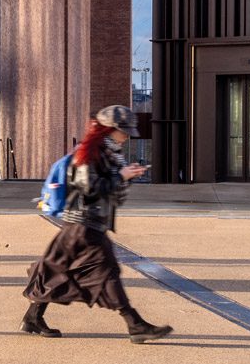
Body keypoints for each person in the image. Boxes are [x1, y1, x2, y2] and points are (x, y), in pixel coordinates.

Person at [21, 105, 172, 342]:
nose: (127, 136)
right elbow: (88, 188)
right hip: (83, 225)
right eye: (123, 131)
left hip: (86, 225)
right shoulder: (88, 154)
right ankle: (135, 325)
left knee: (58, 271)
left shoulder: (109, 154)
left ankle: (32, 318)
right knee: (106, 272)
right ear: (108, 130)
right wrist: (121, 176)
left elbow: (110, 190)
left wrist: (126, 175)